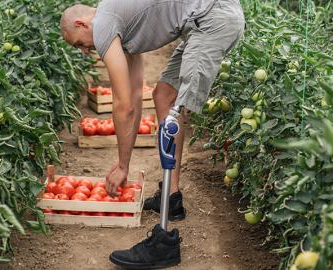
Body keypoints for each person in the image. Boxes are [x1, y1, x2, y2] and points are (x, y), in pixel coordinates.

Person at [60, 0, 244, 268]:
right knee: (164, 96)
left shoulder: (102, 26)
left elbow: (123, 106)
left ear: (81, 24)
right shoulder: (119, 23)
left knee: (173, 116)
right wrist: (124, 161)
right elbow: (133, 96)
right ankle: (172, 198)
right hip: (204, 21)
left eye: (78, 43)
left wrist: (123, 165)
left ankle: (164, 241)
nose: (84, 51)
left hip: (211, 20)